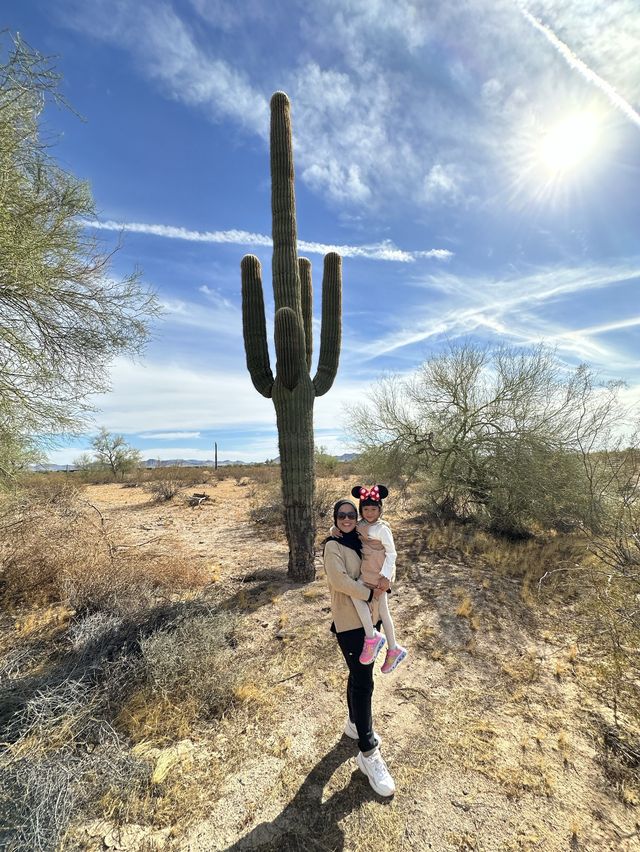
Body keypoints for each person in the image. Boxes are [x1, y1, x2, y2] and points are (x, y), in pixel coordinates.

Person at [323, 499, 396, 797]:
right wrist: (370, 591)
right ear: (335, 518)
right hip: (350, 625)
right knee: (364, 682)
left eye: (350, 514)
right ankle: (368, 752)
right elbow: (339, 581)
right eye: (341, 515)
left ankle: (354, 723)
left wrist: (385, 582)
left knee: (359, 675)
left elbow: (383, 562)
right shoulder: (333, 546)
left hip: (371, 619)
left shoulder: (363, 538)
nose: (347, 519)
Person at [350, 484, 408, 673]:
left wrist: (385, 577)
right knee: (383, 611)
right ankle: (393, 648)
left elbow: (392, 553)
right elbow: (350, 529)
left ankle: (372, 636)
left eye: (373, 509)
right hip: (367, 570)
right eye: (365, 509)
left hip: (377, 574)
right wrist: (335, 528)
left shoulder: (382, 529)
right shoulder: (362, 525)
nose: (369, 512)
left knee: (357, 594)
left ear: (380, 510)